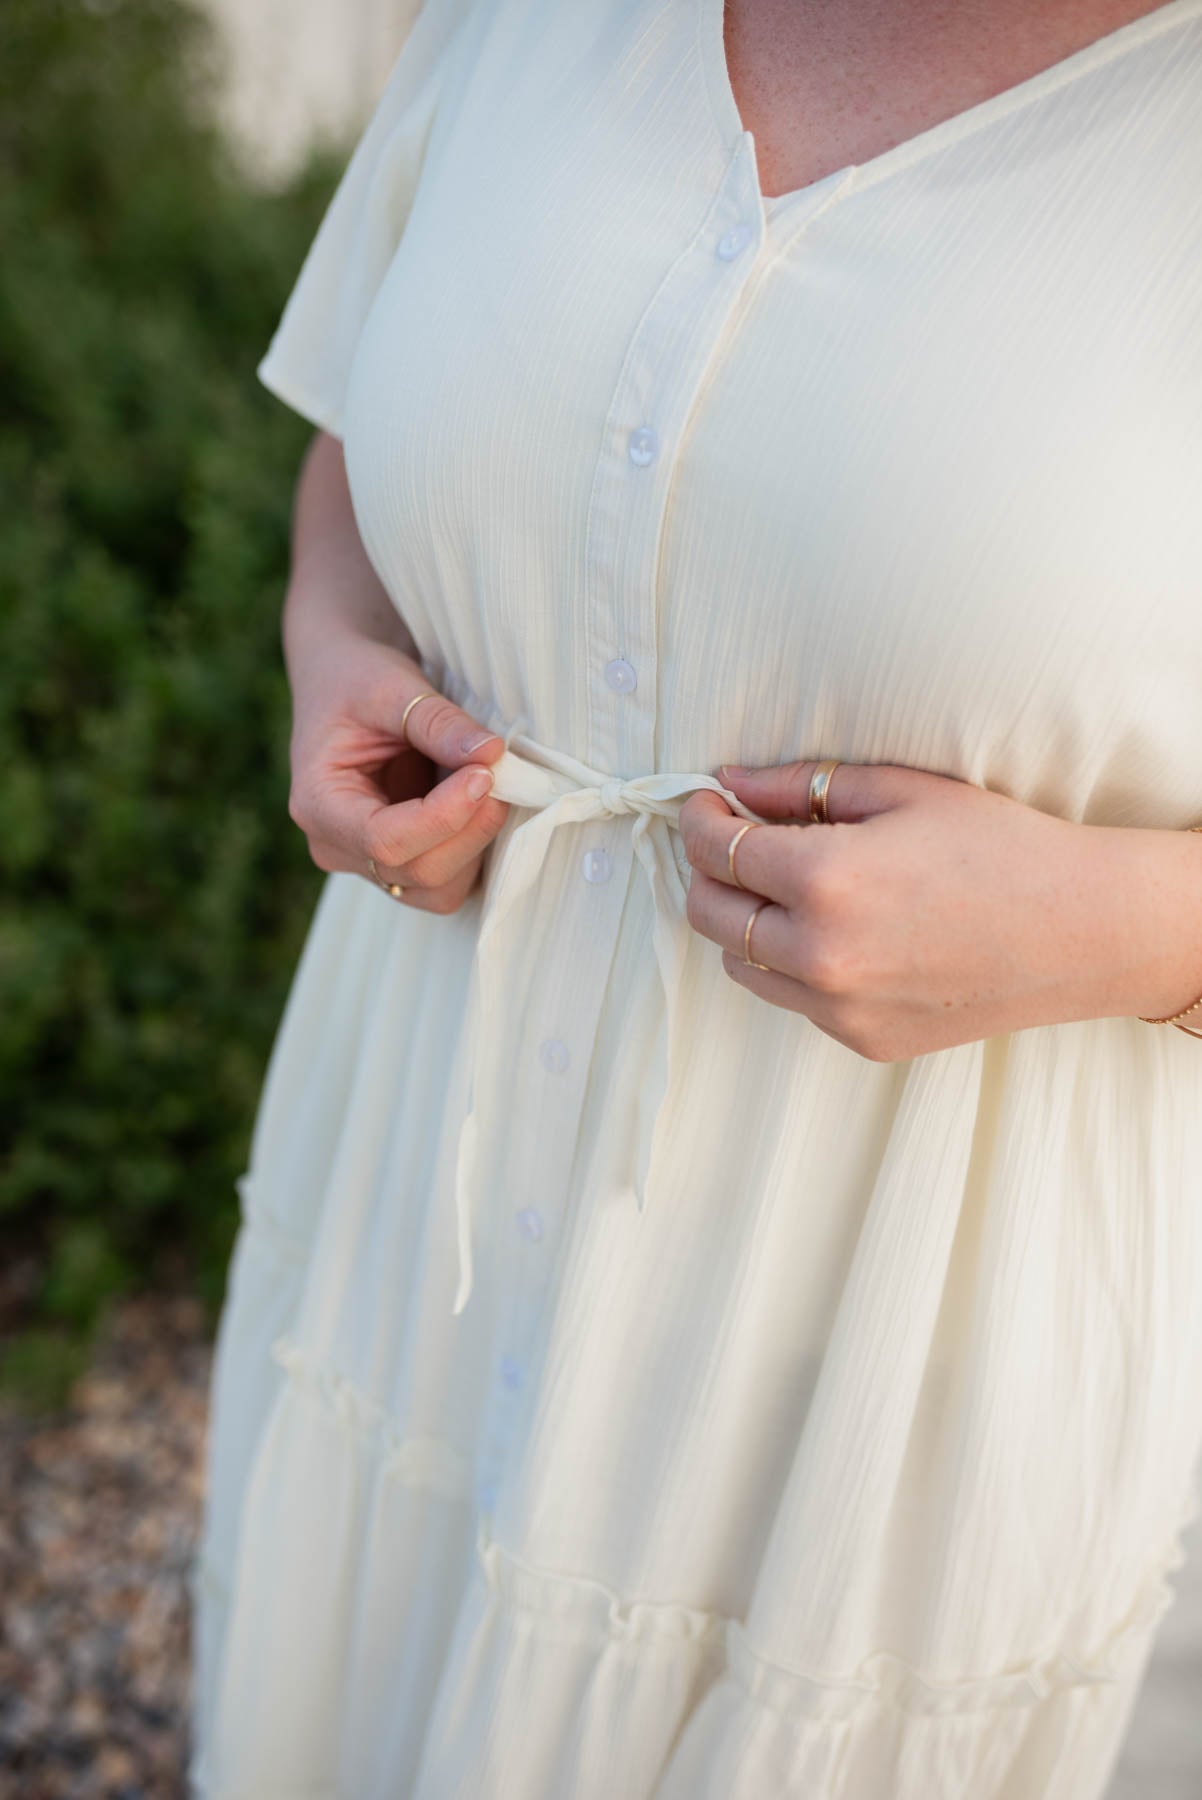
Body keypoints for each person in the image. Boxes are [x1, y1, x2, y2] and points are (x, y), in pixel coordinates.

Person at [187, 1, 1202, 1793]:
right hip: (415, 1212)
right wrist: (332, 647)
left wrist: (1118, 932)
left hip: (886, 1398)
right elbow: (369, 419)